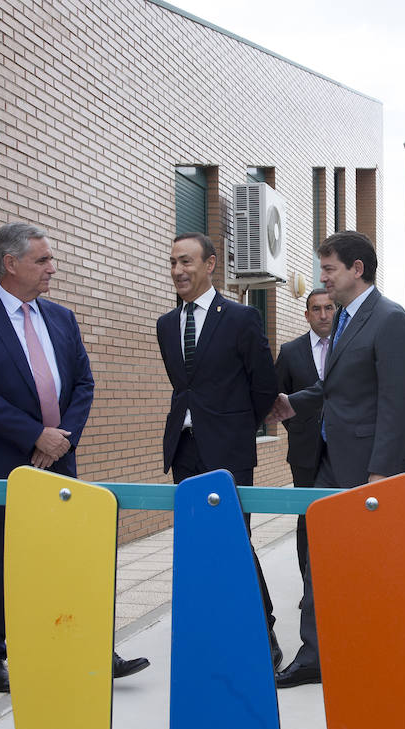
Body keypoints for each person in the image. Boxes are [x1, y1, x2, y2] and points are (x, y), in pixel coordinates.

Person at [0, 222, 147, 693]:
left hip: (59, 460)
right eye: (42, 260)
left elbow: (83, 384)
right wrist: (35, 434)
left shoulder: (62, 318)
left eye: (50, 259)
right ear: (10, 264)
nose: (51, 268)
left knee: (68, 557)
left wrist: (62, 439)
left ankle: (88, 647)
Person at [269, 230, 405, 687]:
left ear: (357, 269)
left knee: (393, 568)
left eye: (329, 268)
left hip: (376, 468)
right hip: (333, 461)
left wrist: (379, 475)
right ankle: (316, 654)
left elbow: (396, 404)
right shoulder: (344, 318)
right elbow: (338, 387)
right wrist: (295, 401)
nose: (323, 278)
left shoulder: (390, 319)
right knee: (320, 557)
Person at [155, 232, 283, 670]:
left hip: (228, 451)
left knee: (234, 543)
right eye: (173, 262)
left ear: (210, 265)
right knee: (196, 547)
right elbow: (183, 386)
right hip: (185, 450)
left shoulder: (241, 318)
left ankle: (262, 633)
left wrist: (233, 428)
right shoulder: (166, 325)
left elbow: (263, 385)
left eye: (186, 261)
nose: (178, 270)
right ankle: (211, 636)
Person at [275, 289, 334, 580]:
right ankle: (309, 586)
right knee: (307, 516)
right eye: (316, 309)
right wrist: (297, 427)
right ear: (307, 314)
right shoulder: (290, 351)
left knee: (342, 514)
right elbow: (278, 399)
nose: (323, 315)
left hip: (344, 446)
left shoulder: (349, 346)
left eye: (329, 308)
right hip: (304, 449)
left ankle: (337, 583)